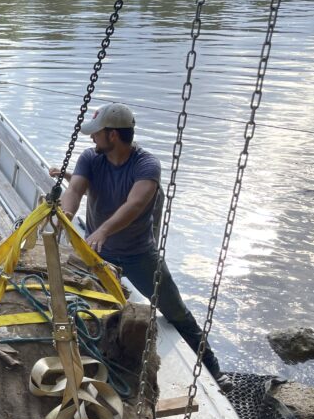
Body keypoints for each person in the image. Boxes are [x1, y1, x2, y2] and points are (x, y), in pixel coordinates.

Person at [50, 103, 229, 387]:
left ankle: (213, 369)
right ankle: (92, 365)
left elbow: (134, 205)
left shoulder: (146, 164)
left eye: (96, 133)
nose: (91, 138)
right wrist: (66, 214)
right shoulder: (90, 158)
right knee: (88, 307)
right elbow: (75, 189)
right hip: (97, 252)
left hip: (138, 254)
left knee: (176, 310)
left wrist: (104, 230)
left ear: (113, 136)